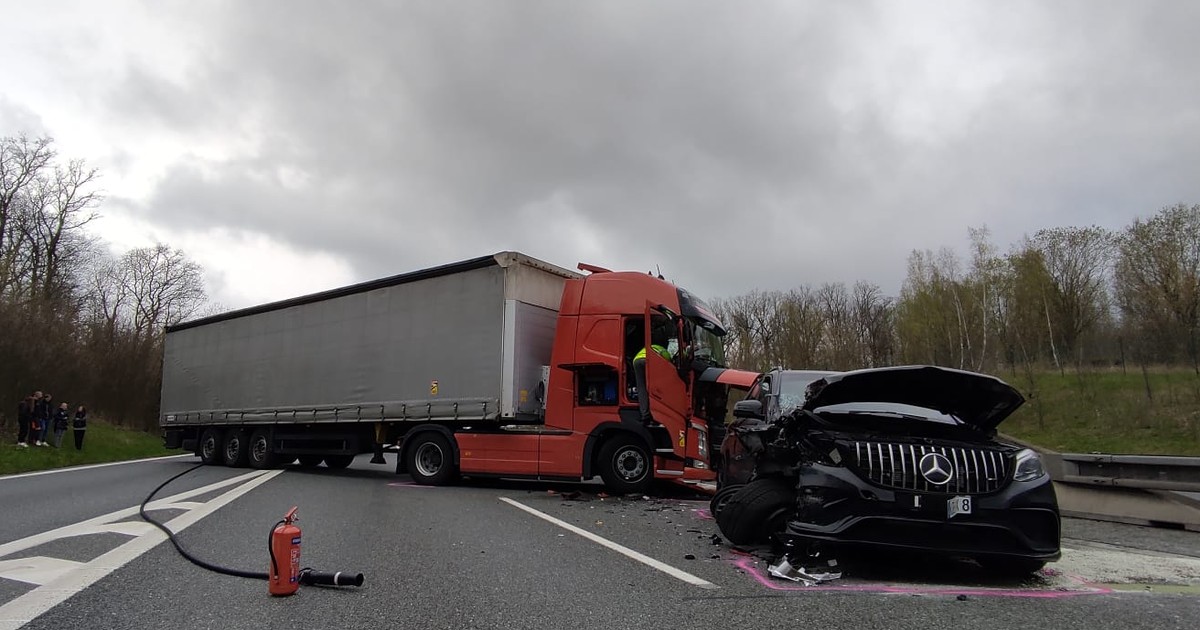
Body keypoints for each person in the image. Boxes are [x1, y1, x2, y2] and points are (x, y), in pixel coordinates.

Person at [632, 322, 675, 423]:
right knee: (657, 387)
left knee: (642, 387)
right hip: (647, 361)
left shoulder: (651, 347)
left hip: (637, 360)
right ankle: (657, 412)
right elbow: (670, 366)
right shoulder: (664, 351)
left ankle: (644, 414)